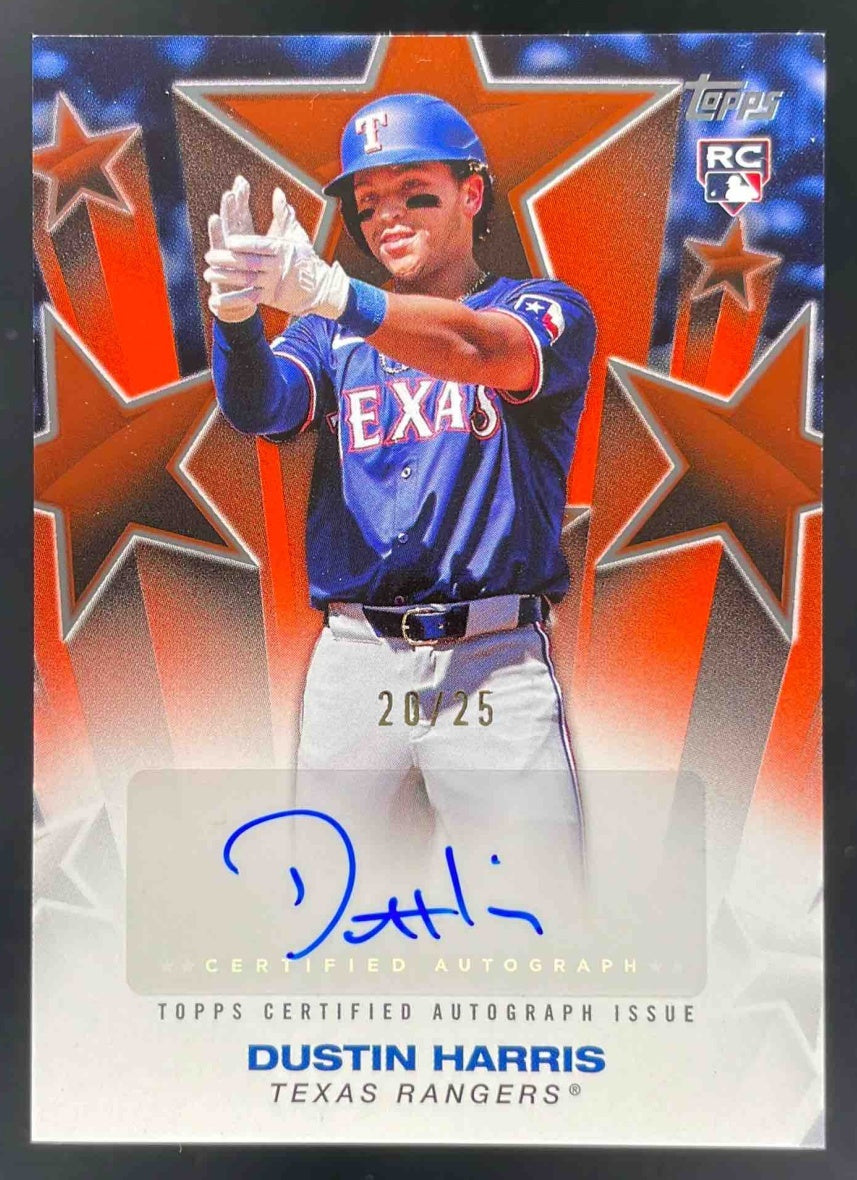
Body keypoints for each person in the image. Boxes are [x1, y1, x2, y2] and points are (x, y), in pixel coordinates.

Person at [205, 93, 596, 898]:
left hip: (492, 660)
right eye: (369, 200)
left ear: (471, 193)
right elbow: (263, 407)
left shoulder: (543, 307)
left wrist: (336, 293)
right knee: (328, 908)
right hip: (358, 660)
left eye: (415, 192)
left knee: (536, 914)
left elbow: (477, 347)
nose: (388, 215)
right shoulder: (327, 332)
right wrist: (237, 318)